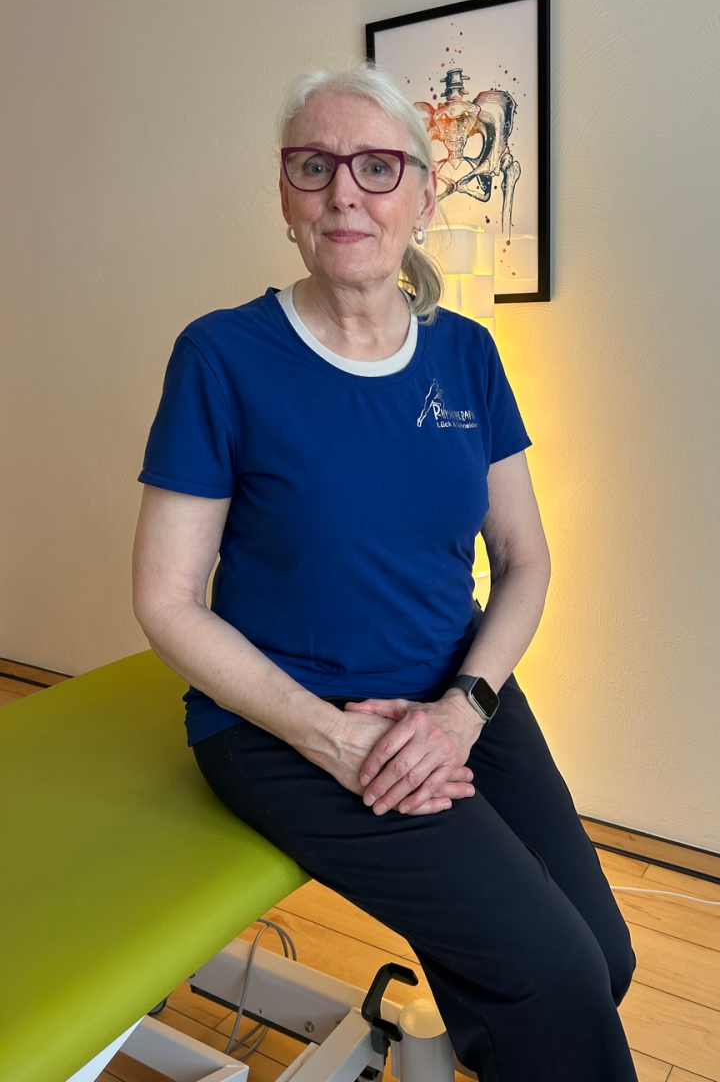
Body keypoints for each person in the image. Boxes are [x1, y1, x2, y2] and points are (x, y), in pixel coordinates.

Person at [132, 64, 638, 1082]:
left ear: (423, 195)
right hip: (285, 725)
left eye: (376, 166)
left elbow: (525, 559)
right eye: (313, 167)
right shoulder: (222, 357)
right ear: (285, 199)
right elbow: (166, 600)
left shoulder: (468, 356)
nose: (344, 193)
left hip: (457, 692)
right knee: (551, 973)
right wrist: (334, 738)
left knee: (601, 958)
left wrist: (463, 708)